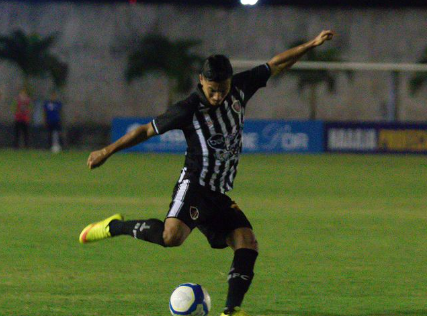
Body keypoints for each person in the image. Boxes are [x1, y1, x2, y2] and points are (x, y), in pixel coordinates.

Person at [79, 30, 335, 316]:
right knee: (171, 237)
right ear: (201, 81)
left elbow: (277, 64)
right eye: (212, 89)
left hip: (217, 192)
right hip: (195, 185)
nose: (217, 95)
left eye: (222, 89)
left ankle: (231, 311)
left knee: (247, 241)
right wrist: (107, 151)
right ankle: (115, 227)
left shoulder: (239, 88)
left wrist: (311, 45)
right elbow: (146, 130)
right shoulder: (188, 109)